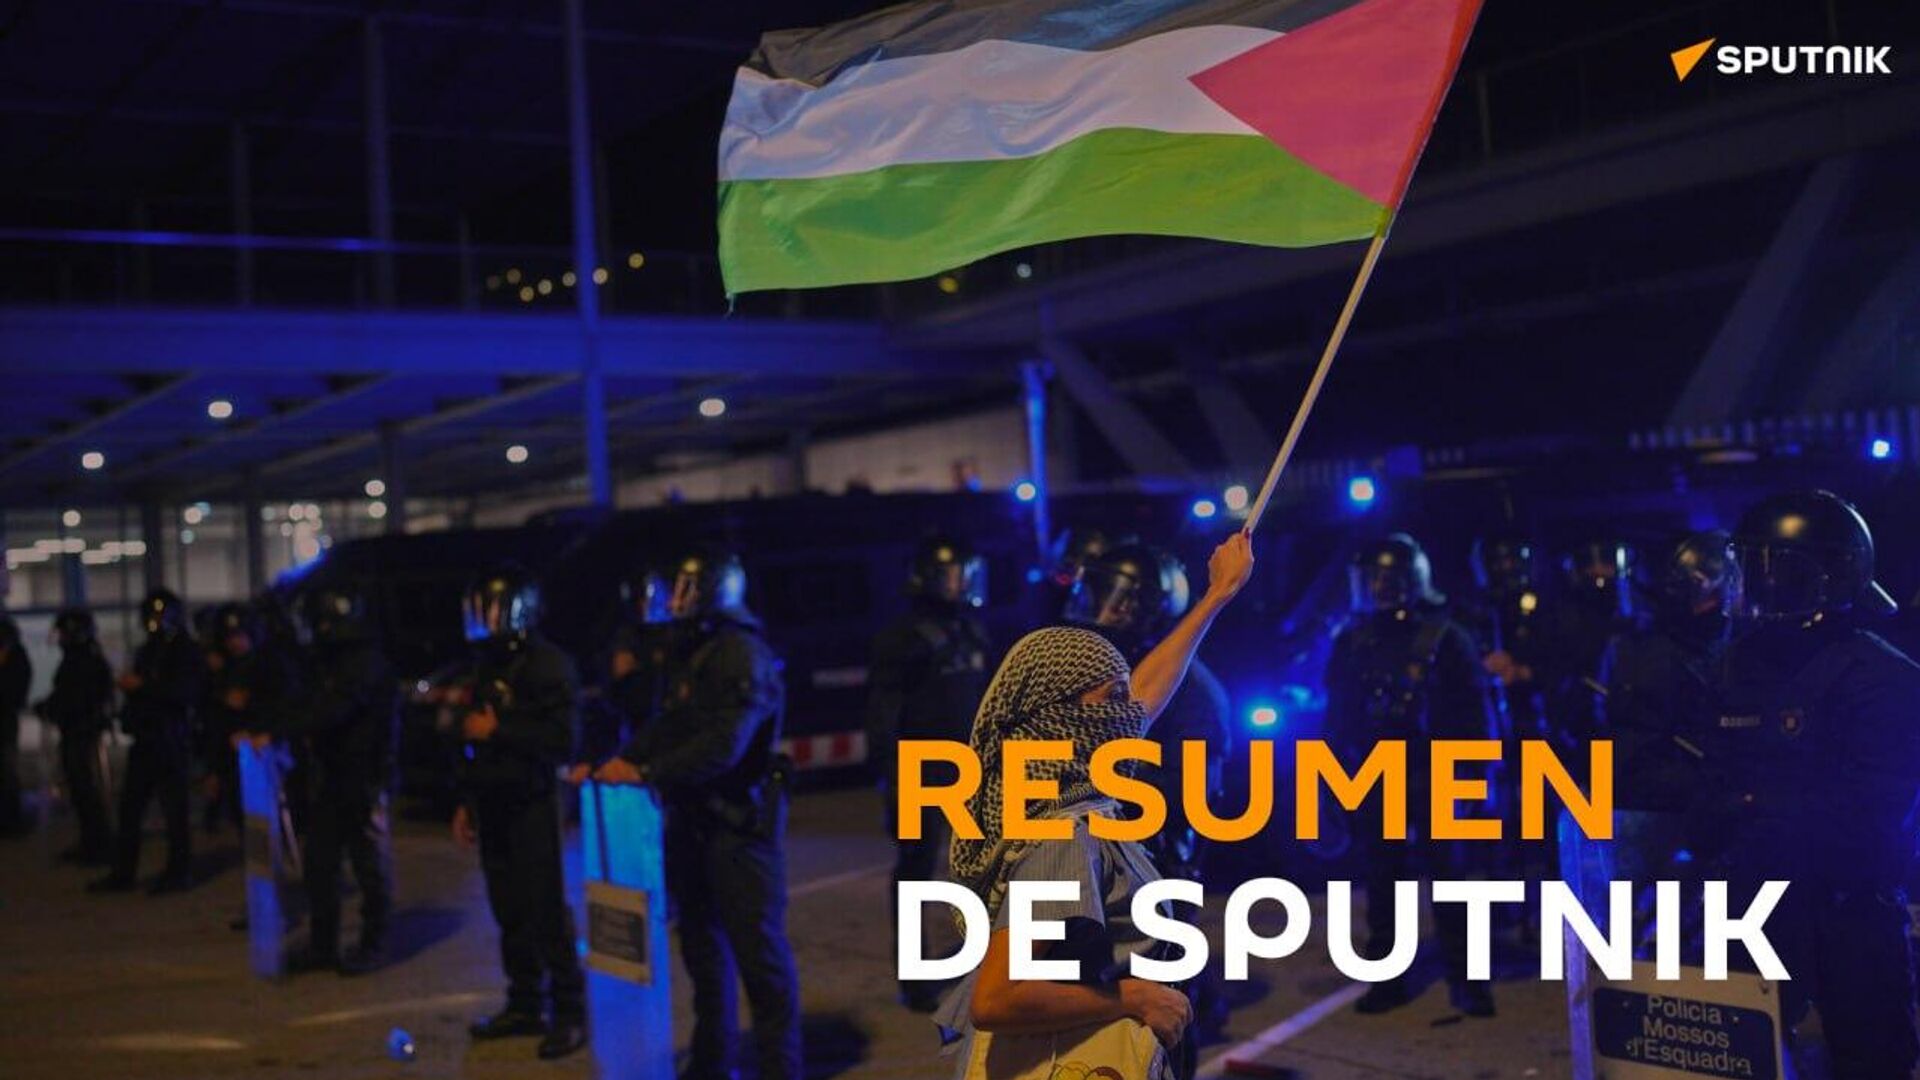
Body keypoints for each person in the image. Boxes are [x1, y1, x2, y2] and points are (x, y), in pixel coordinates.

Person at [935, 532, 1253, 1080]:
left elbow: (1144, 698)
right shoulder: (1061, 838)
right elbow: (997, 997)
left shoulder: (1052, 782)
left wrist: (1217, 595)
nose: (1129, 713)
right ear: (1064, 716)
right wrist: (1133, 998)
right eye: (1112, 698)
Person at [1706, 490, 1920, 1078]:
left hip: (1847, 910)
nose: (1760, 586)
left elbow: (1874, 815)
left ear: (1829, 577)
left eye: (1777, 571)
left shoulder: (1882, 677)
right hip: (1751, 906)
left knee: (1871, 1059)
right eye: (1753, 569)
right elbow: (1713, 773)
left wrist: (1760, 811)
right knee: (1744, 1056)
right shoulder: (1738, 663)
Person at [594, 544, 799, 1080]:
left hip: (739, 827)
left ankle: (780, 1069)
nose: (674, 602)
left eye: (686, 591)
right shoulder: (693, 651)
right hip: (695, 822)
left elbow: (723, 745)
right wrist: (620, 762)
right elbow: (672, 725)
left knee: (759, 958)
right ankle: (712, 1062)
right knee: (703, 954)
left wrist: (647, 771)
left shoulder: (740, 653)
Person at [1063, 540, 1234, 1039]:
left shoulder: (1188, 689)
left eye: (1116, 600)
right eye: (1098, 596)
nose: (1103, 613)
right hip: (1104, 860)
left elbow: (1190, 800)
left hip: (1154, 865)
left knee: (1160, 999)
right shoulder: (1105, 676)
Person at [1324, 533, 1497, 1017]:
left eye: (1389, 579)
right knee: (1384, 883)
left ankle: (1469, 981)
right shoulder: (1353, 641)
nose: (1380, 588)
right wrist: (1332, 778)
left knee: (1453, 882)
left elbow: (1475, 714)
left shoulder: (1447, 637)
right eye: (1374, 579)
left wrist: (1476, 777)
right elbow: (1337, 717)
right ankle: (1388, 979)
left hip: (1437, 772)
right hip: (1378, 775)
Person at [453, 563, 587, 1060]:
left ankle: (570, 1011)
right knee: (508, 909)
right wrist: (468, 802)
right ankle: (525, 1002)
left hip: (534, 799)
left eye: (492, 611)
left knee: (545, 909)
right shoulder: (486, 666)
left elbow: (561, 740)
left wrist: (500, 731)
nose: (484, 621)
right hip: (494, 801)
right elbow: (473, 741)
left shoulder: (548, 665)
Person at [866, 534, 994, 1012]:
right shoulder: (901, 639)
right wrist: (891, 774)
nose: (958, 585)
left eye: (962, 575)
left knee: (989, 869)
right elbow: (883, 712)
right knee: (916, 876)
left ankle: (988, 962)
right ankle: (916, 977)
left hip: (974, 768)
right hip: (919, 768)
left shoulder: (972, 631)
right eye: (948, 576)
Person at [277, 588, 396, 975]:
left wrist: (284, 726)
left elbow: (331, 709)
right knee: (320, 862)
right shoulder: (330, 660)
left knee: (368, 865)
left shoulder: (363, 662)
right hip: (335, 775)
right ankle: (323, 944)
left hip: (365, 778)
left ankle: (374, 944)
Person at [91, 589, 202, 894]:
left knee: (174, 810)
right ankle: (123, 872)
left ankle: (178, 872)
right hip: (147, 737)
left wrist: (145, 686)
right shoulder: (149, 650)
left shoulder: (184, 651)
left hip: (172, 737)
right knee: (130, 809)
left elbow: (184, 692)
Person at [39, 609, 116, 863]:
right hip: (77, 730)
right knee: (80, 790)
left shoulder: (84, 661)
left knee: (86, 790)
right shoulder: (82, 658)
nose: (60, 638)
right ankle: (91, 841)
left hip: (82, 732)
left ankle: (98, 844)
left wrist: (52, 708)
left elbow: (76, 697)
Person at [0, 615, 32, 836]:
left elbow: (15, 691)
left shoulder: (15, 658)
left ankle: (11, 820)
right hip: (7, 721)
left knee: (7, 770)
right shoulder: (17, 657)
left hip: (5, 721)